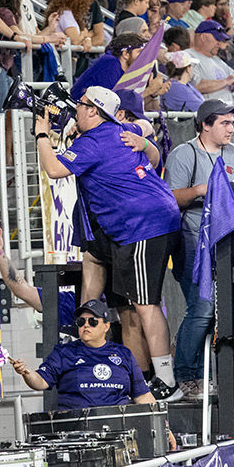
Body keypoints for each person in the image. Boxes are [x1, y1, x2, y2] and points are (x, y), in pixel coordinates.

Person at [37, 86, 183, 392]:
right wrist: (144, 139)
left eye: (81, 105)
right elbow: (144, 131)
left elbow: (52, 169)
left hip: (143, 224)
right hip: (149, 221)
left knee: (145, 305)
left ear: (93, 111)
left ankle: (168, 381)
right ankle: (148, 377)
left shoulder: (92, 143)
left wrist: (41, 133)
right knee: (134, 306)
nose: (76, 109)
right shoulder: (120, 130)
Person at [163, 100, 234, 398]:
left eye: (232, 123)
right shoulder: (185, 154)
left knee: (222, 311)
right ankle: (186, 374)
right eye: (224, 122)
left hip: (227, 243)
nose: (231, 128)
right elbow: (169, 199)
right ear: (205, 124)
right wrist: (199, 191)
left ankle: (212, 373)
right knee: (203, 308)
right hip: (192, 240)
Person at [8, 297, 159, 410]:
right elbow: (40, 381)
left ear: (106, 326)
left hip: (118, 425)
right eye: (81, 322)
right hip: (76, 428)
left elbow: (143, 395)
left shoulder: (123, 353)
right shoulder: (64, 352)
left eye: (93, 321)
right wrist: (26, 372)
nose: (86, 325)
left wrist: (163, 426)